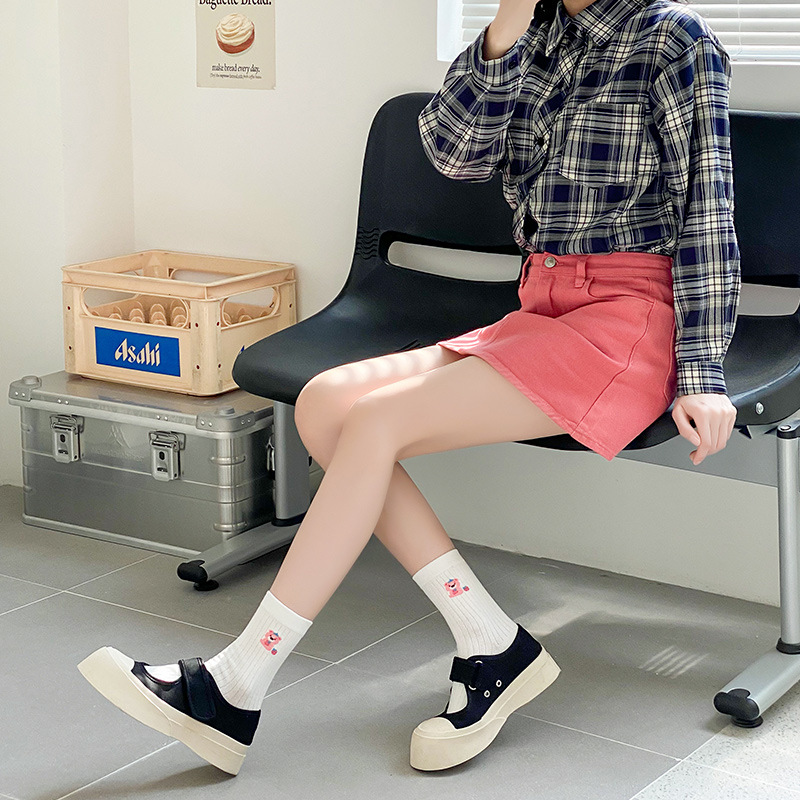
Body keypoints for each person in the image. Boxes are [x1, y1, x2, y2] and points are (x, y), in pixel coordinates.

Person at [76, 0, 740, 778]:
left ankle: (238, 681)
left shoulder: (673, 39)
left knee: (377, 421)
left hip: (627, 323)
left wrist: (703, 373)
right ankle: (492, 643)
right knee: (326, 406)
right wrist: (505, 25)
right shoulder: (530, 37)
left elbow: (709, 211)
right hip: (540, 307)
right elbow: (454, 155)